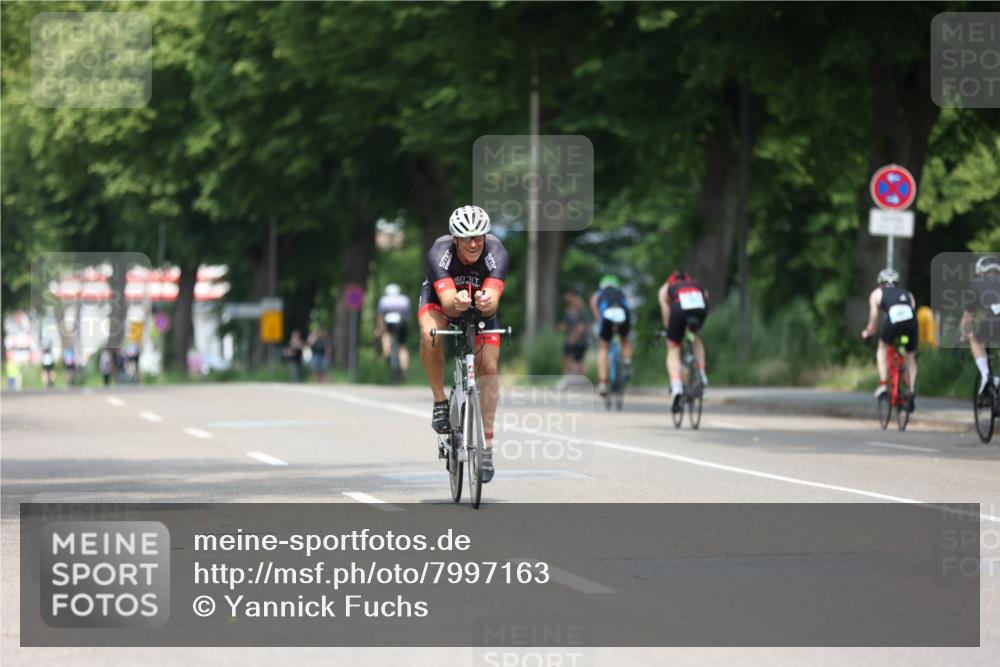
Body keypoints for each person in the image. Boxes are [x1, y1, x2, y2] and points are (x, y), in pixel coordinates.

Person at [418, 205, 507, 483]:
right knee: (430, 333)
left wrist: (485, 302)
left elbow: (492, 303)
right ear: (455, 238)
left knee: (489, 367)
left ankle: (488, 445)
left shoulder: (497, 253)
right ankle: (440, 402)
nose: (473, 243)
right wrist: (455, 303)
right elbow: (448, 305)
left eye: (478, 236)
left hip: (479, 306)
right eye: (466, 238)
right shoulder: (438, 252)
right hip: (442, 299)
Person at [861, 268, 918, 409]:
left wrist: (869, 332)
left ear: (880, 283)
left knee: (882, 349)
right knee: (910, 357)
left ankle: (882, 384)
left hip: (893, 321)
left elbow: (874, 317)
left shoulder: (876, 293)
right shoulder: (908, 294)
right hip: (911, 323)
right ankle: (911, 392)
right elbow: (912, 310)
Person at [658, 270, 710, 413]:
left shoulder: (666, 288)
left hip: (679, 308)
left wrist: (669, 331)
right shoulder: (695, 283)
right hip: (700, 308)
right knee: (696, 336)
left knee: (673, 347)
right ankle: (701, 373)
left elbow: (666, 313)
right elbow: (706, 296)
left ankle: (676, 386)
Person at [962, 255, 1000, 397]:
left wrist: (965, 334)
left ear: (981, 272)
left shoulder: (977, 283)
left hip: (991, 323)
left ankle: (986, 376)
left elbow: (967, 317)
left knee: (975, 339)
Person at [590, 275, 633, 396]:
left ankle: (603, 383)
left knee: (603, 347)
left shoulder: (600, 292)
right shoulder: (621, 292)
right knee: (625, 340)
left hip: (607, 316)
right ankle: (627, 361)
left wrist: (599, 320)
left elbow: (594, 303)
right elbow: (628, 306)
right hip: (622, 314)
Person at [375, 284, 412, 380]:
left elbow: (380, 317)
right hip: (402, 325)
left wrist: (379, 329)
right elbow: (407, 317)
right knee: (402, 346)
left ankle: (387, 353)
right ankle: (404, 370)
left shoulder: (383, 300)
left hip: (389, 325)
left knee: (386, 336)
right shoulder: (404, 300)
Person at [560, 292, 589, 376]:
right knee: (568, 358)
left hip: (579, 341)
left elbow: (582, 328)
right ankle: (569, 375)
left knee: (578, 361)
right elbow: (570, 326)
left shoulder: (581, 312)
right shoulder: (568, 312)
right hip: (571, 339)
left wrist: (573, 338)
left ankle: (579, 379)